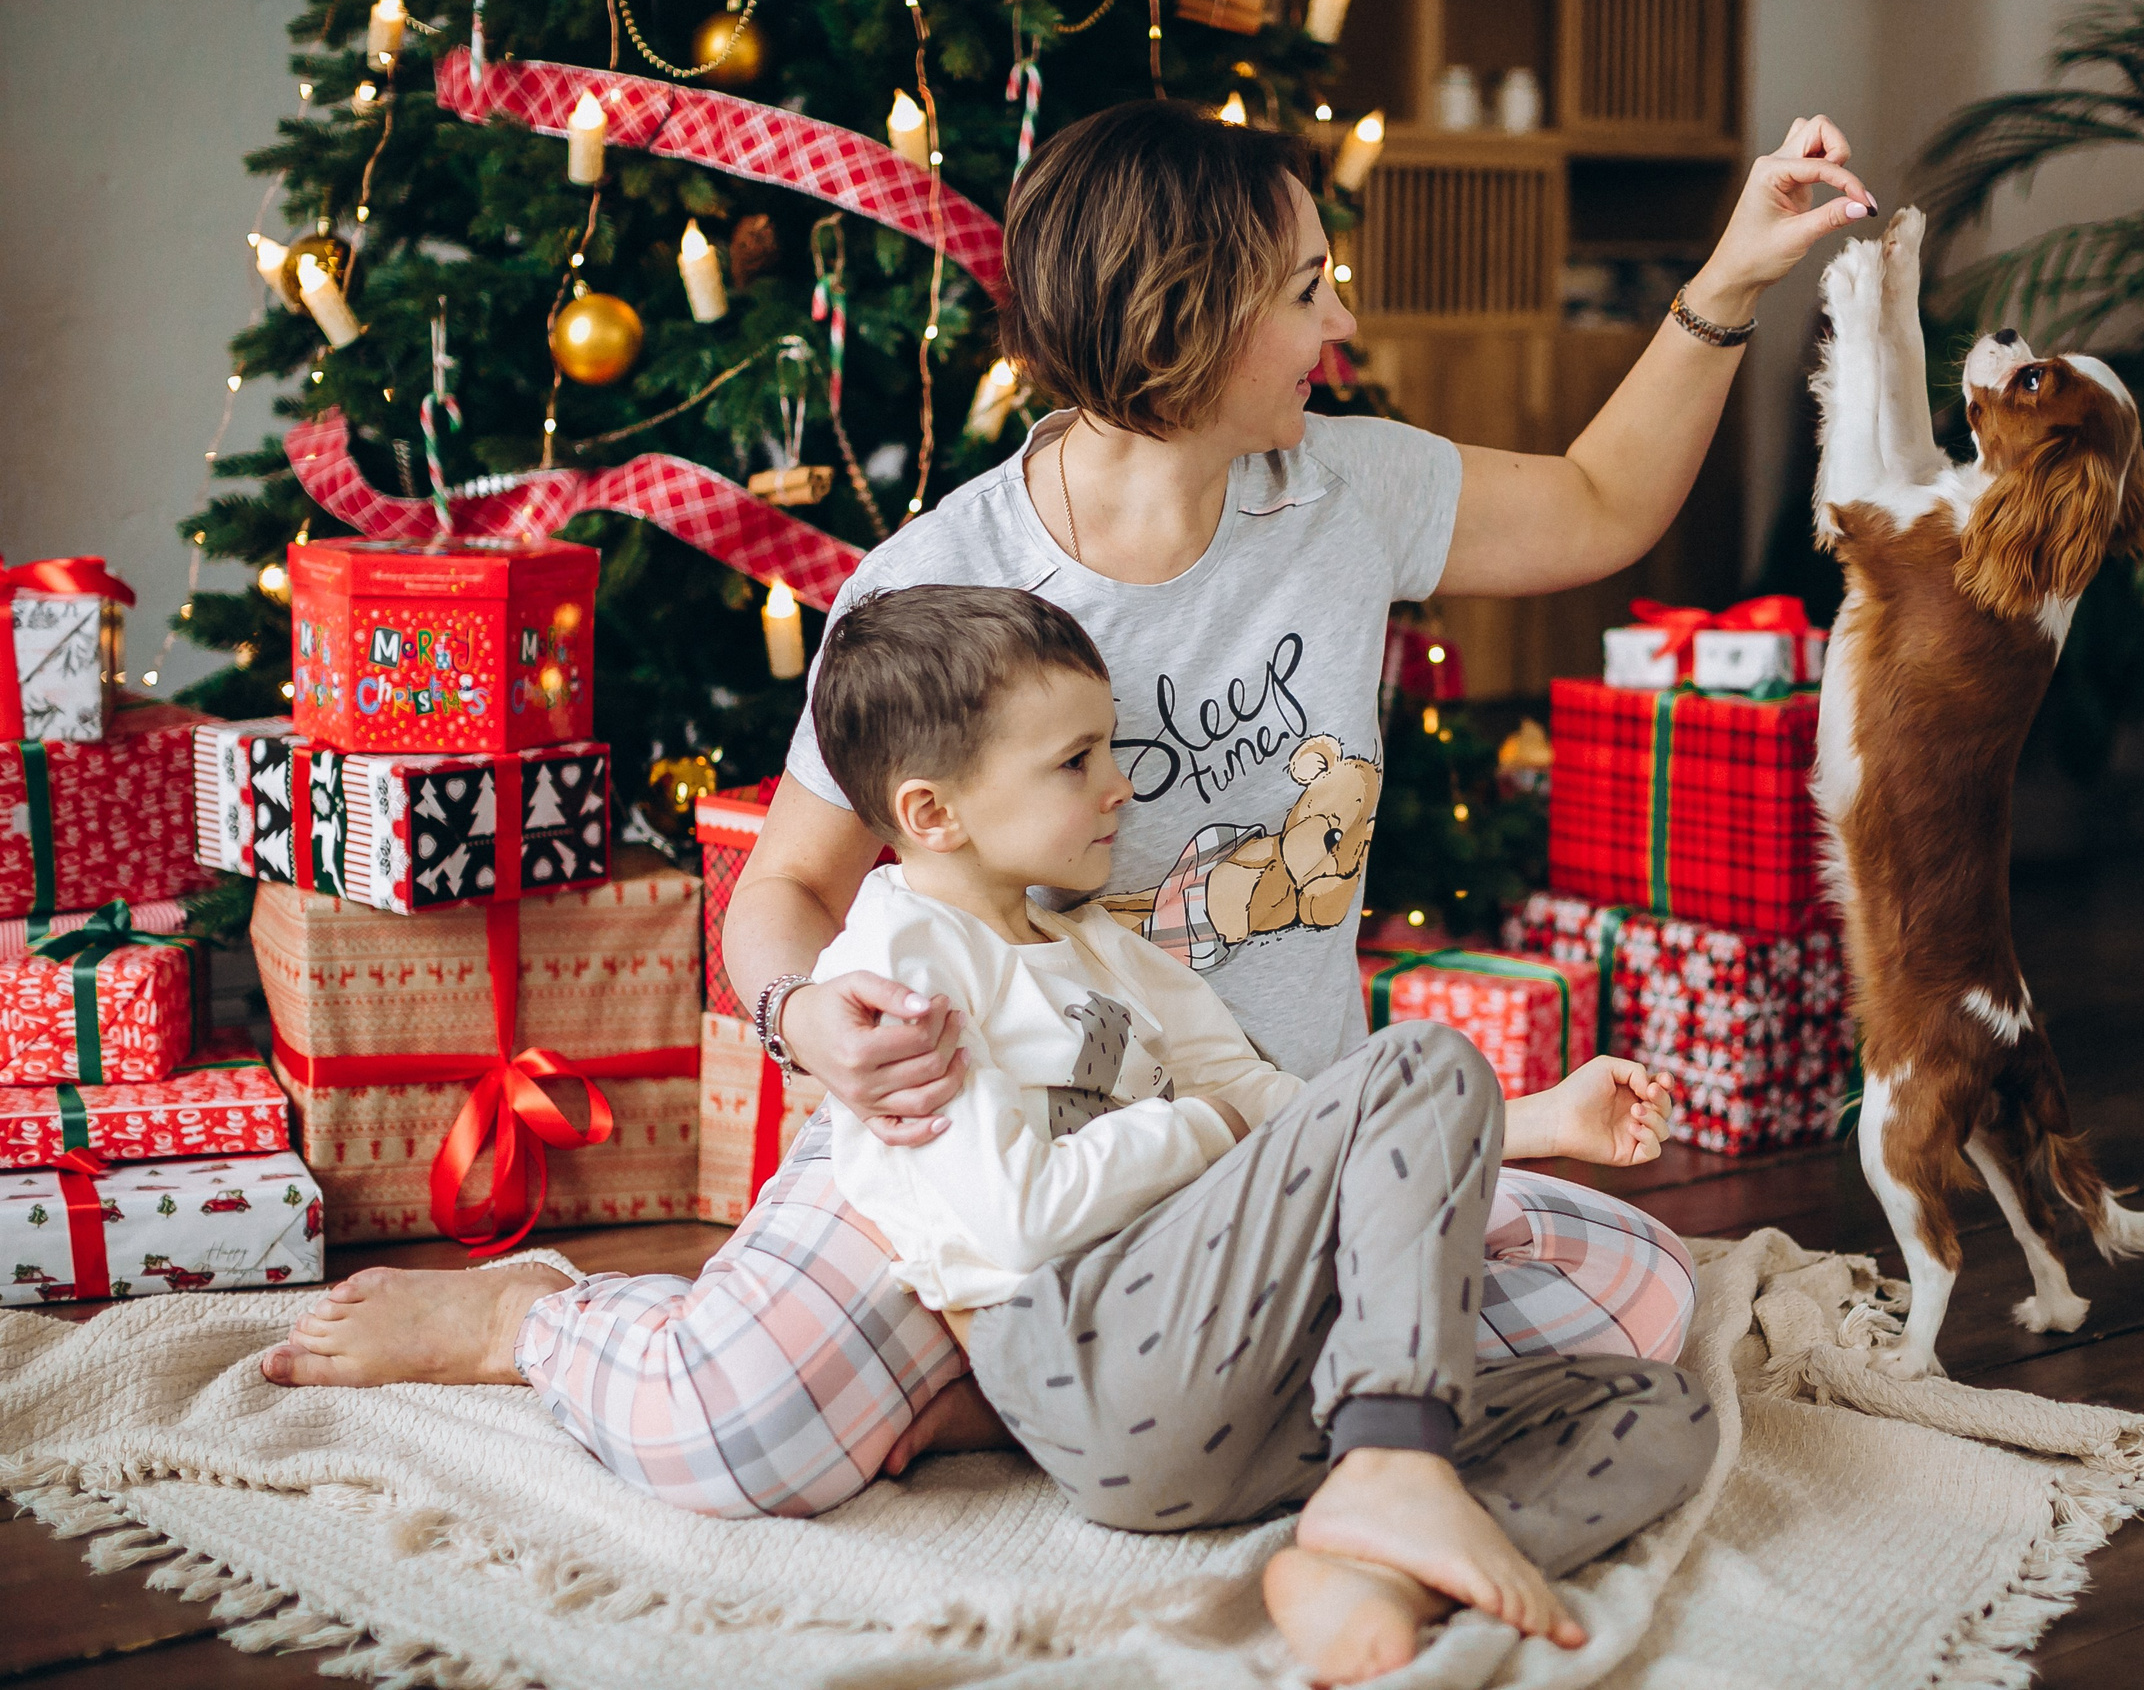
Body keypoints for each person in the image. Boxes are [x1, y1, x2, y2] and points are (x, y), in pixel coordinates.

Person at [264, 98, 1867, 1519]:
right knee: (733, 1427)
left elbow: (1600, 502)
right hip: (993, 1141)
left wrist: (1730, 281)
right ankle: (533, 1319)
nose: (1335, 315)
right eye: (1305, 288)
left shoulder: (1346, 491)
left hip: (1263, 1154)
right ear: (1190, 322)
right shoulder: (941, 582)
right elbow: (786, 886)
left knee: (1646, 1302)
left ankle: (1016, 1400)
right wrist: (809, 1016)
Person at [803, 583, 1710, 1683]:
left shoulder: (1108, 954)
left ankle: (1372, 1563)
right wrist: (1205, 1126)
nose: (1119, 784)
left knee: (1656, 1410)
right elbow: (1019, 1219)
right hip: (1082, 1355)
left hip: (1249, 1399)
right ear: (932, 812)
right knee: (1426, 1052)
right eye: (1075, 760)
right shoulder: (902, 959)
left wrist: (1535, 1123)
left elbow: (1297, 1118)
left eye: (1110, 750)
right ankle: (1397, 1458)